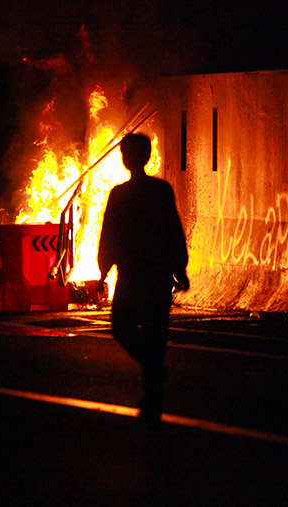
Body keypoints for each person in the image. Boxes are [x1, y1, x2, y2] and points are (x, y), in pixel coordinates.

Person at [97, 133, 190, 424]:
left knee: (122, 326)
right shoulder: (161, 190)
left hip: (133, 274)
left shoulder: (120, 194)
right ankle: (153, 381)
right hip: (157, 275)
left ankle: (152, 389)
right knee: (155, 333)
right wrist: (179, 267)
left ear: (126, 158)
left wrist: (104, 269)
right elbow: (173, 229)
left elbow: (109, 234)